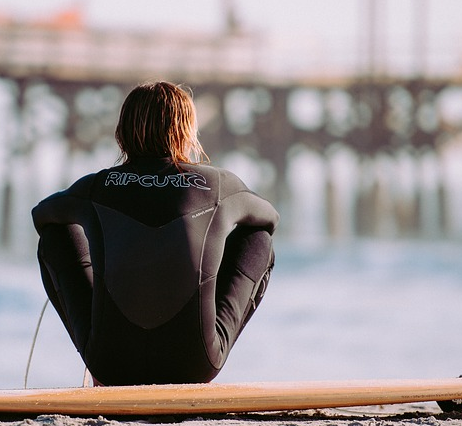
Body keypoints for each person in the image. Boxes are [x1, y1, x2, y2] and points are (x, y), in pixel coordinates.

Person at [31, 81, 278, 386]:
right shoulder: (216, 185)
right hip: (194, 365)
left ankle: (96, 364)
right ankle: (202, 336)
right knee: (259, 239)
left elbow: (42, 216)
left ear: (122, 133)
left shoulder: (97, 187)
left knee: (54, 237)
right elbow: (269, 219)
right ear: (185, 132)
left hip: (111, 364)